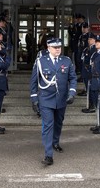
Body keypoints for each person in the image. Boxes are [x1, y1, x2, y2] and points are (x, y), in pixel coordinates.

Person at [30, 38, 77, 166]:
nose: (58, 49)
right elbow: (34, 81)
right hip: (45, 98)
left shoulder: (66, 61)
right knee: (48, 125)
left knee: (58, 122)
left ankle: (55, 142)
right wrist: (34, 99)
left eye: (59, 47)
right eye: (55, 47)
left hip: (61, 98)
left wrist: (72, 93)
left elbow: (73, 78)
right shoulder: (40, 61)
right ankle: (48, 154)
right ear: (48, 48)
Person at [81, 32, 96, 113]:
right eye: (88, 39)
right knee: (88, 89)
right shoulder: (87, 48)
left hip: (89, 71)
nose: (89, 40)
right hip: (85, 71)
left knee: (90, 90)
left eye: (91, 39)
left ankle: (92, 105)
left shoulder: (94, 49)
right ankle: (90, 104)